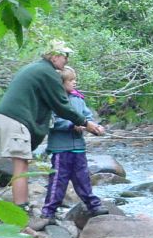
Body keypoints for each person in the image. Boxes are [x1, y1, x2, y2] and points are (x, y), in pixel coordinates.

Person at [0, 39, 104, 211]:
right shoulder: (48, 73)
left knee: (21, 162)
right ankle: (21, 210)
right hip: (13, 118)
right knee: (21, 164)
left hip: (6, 117)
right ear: (53, 56)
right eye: (63, 55)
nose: (67, 59)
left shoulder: (38, 69)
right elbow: (61, 106)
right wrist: (86, 123)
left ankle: (21, 208)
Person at [41, 66, 108, 222]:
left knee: (83, 179)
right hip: (60, 149)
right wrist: (71, 125)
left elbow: (87, 117)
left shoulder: (78, 99)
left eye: (74, 79)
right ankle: (48, 212)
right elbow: (52, 122)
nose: (74, 83)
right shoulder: (53, 101)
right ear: (60, 84)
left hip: (78, 148)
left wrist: (95, 127)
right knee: (58, 181)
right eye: (71, 80)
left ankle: (94, 206)